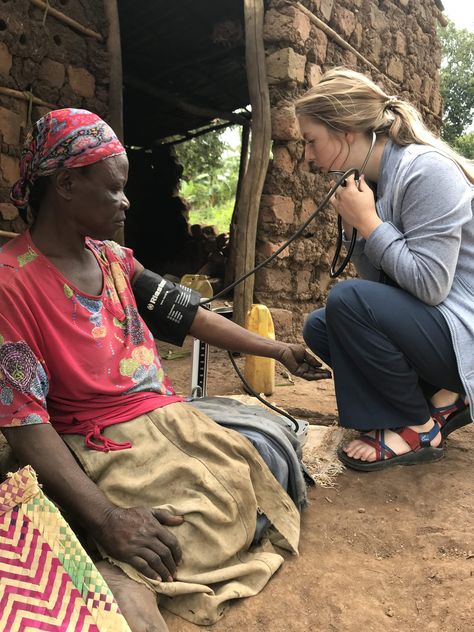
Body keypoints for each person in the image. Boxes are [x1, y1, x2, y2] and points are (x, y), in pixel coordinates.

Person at [0, 109, 331, 632]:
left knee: (270, 455)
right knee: (193, 520)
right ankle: (117, 569)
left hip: (164, 419)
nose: (126, 202)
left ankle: (138, 549)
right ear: (65, 184)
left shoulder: (114, 261)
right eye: (113, 189)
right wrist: (108, 519)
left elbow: (189, 312)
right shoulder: (11, 283)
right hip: (102, 442)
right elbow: (25, 424)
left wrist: (277, 349)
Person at [295, 67, 474, 472]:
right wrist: (357, 232)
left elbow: (429, 286)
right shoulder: (375, 181)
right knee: (322, 326)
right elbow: (384, 286)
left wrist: (371, 224)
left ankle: (418, 427)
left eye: (311, 141)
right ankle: (435, 400)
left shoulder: (426, 170)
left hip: (463, 326)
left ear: (345, 131)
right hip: (438, 326)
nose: (307, 155)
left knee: (347, 300)